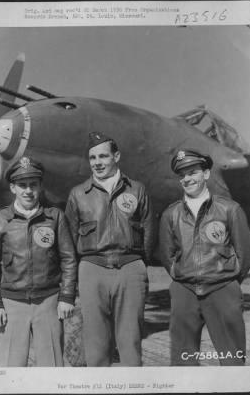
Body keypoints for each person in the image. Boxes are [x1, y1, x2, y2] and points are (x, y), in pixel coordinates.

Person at [65, 132, 154, 366]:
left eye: (103, 156)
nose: (98, 162)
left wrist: (137, 265)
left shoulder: (137, 190)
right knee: (95, 344)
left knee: (131, 341)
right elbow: (69, 241)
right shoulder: (77, 194)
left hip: (130, 268)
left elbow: (149, 232)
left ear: (116, 156)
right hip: (92, 269)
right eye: (93, 157)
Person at [0, 156, 77, 367]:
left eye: (33, 184)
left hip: (49, 302)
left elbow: (69, 260)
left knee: (51, 367)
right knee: (10, 369)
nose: (28, 190)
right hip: (12, 305)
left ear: (40, 186)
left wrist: (67, 296)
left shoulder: (56, 218)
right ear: (13, 187)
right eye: (22, 185)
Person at [159, 149, 250, 366]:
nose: (187, 179)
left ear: (206, 174)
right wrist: (178, 274)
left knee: (232, 360)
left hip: (222, 289)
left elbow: (244, 253)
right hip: (185, 291)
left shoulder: (230, 209)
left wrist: (230, 280)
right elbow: (167, 254)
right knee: (183, 362)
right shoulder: (170, 214)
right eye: (182, 175)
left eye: (192, 172)